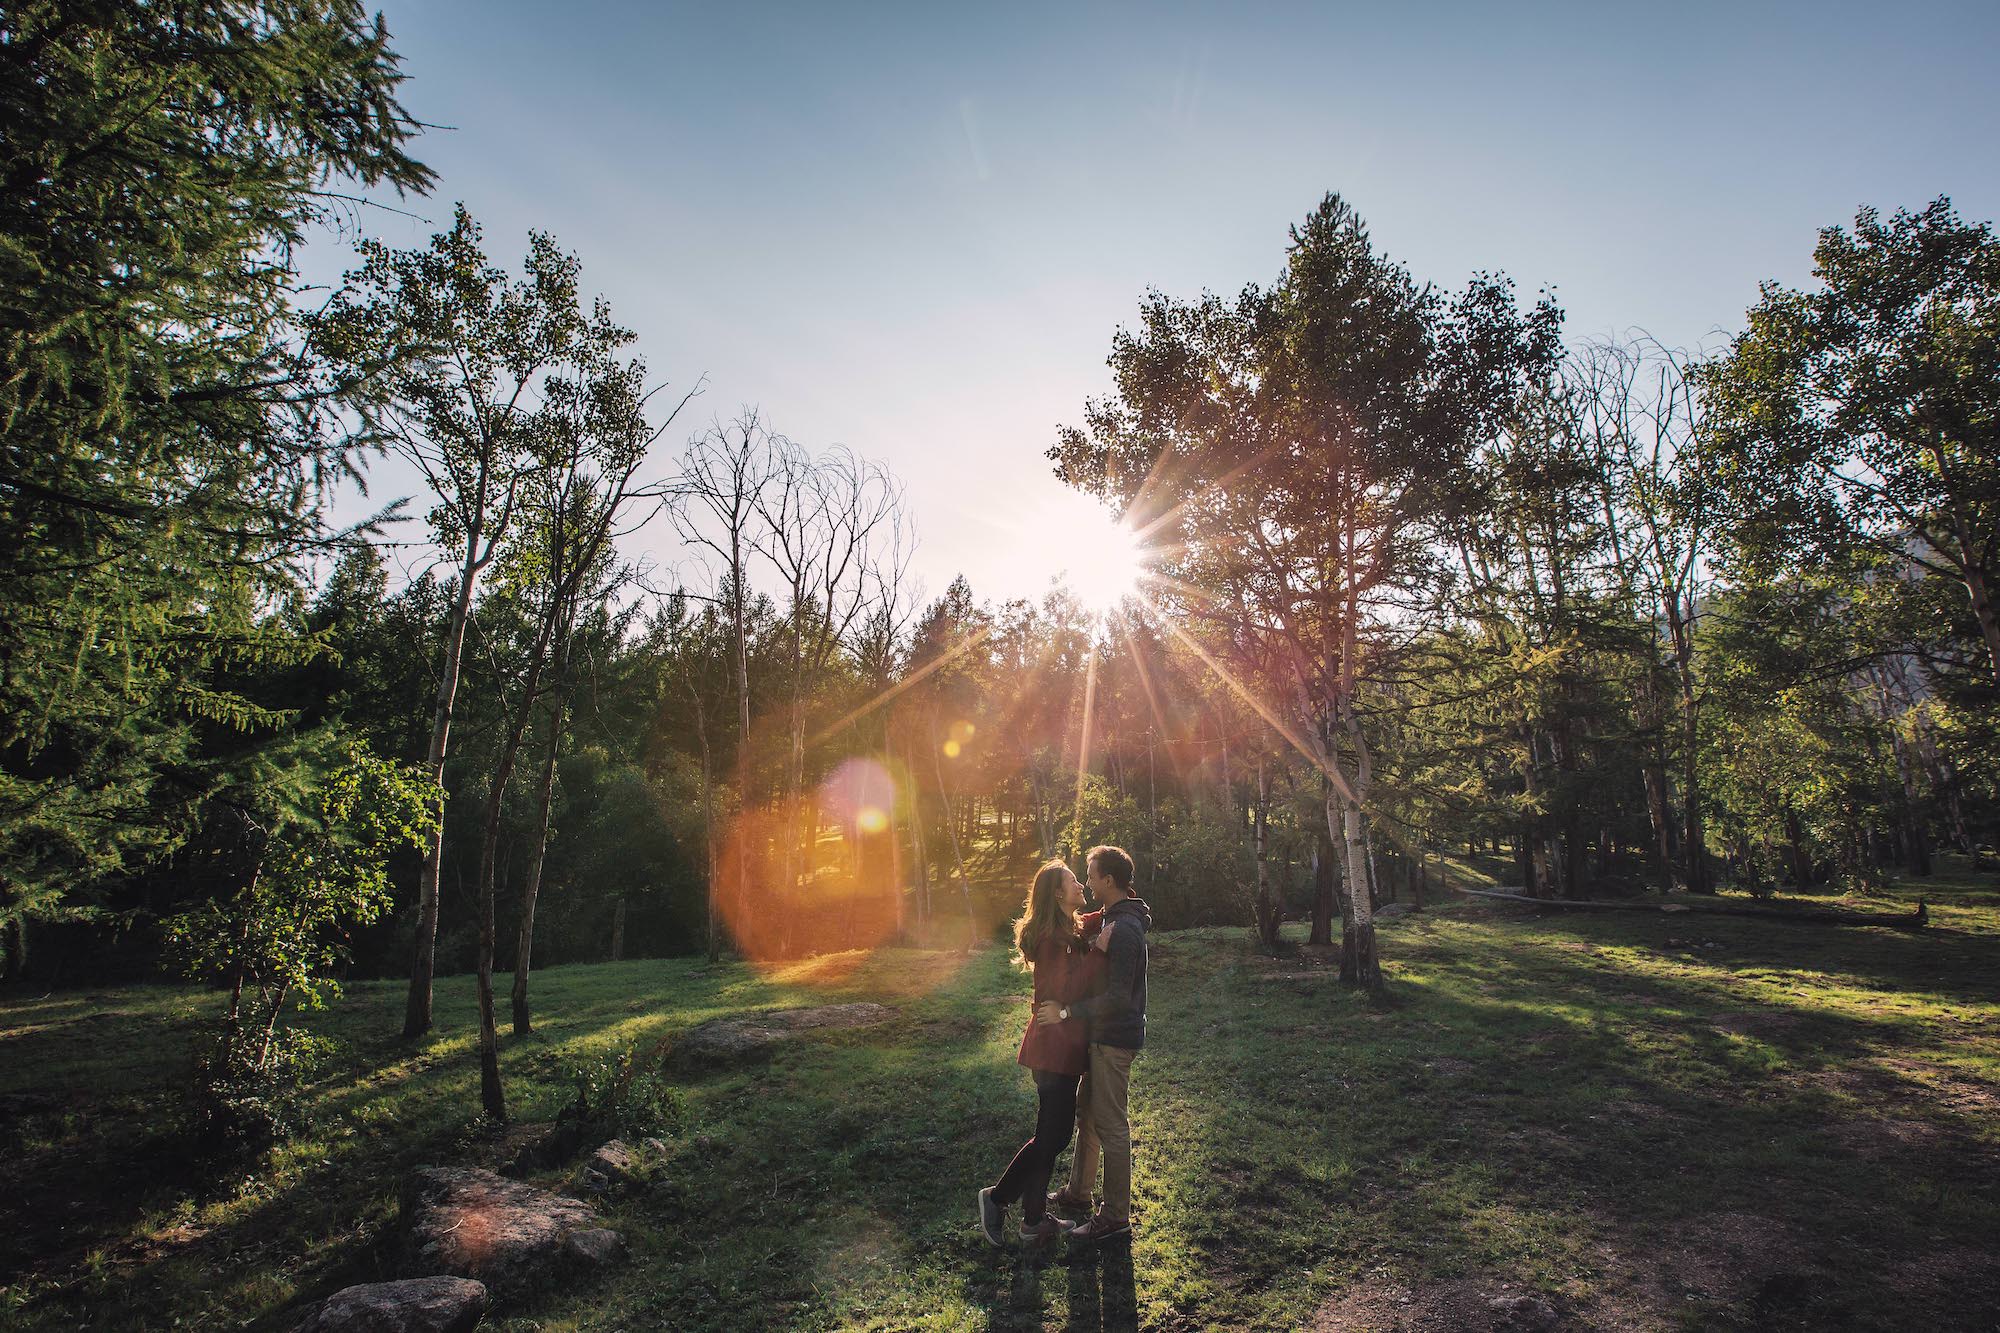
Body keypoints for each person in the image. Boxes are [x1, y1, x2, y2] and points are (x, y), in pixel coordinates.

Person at [979, 858, 1114, 1248]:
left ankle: (1033, 1220)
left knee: (1051, 1136)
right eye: (1074, 881)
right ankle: (999, 1198)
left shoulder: (1064, 930)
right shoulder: (1053, 940)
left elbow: (1082, 926)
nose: (1080, 885)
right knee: (1051, 1137)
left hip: (1060, 1049)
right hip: (1053, 1048)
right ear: (1058, 893)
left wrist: (1108, 913)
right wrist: (1100, 953)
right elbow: (1066, 990)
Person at [1039, 844, 1150, 1246]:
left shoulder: (1123, 930)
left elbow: (1120, 996)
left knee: (1111, 1125)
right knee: (1088, 1116)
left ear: (1107, 881)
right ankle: (1078, 1192)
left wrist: (1069, 1013)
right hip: (1101, 1038)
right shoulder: (1111, 918)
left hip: (1114, 1039)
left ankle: (1116, 1216)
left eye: (1090, 874)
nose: (1086, 881)